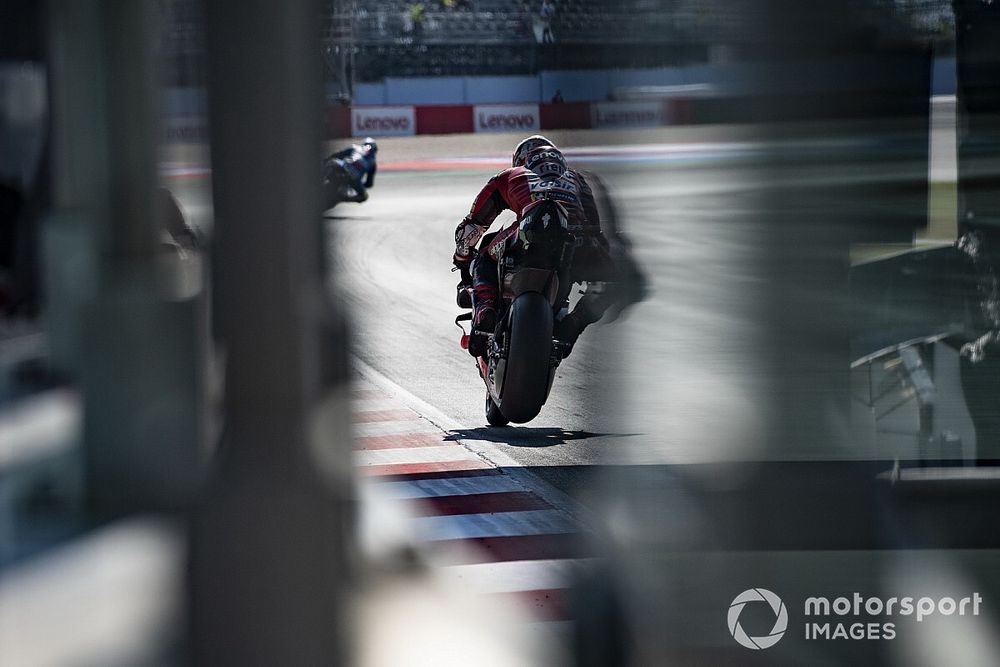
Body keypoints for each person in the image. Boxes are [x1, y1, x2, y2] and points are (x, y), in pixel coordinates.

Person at [452, 135, 645, 357]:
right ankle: (574, 324)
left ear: (521, 160)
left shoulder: (511, 175)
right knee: (610, 280)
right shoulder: (577, 180)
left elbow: (470, 229)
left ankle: (486, 311)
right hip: (576, 240)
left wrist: (462, 259)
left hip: (528, 235)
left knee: (485, 254)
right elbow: (595, 229)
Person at [325, 137, 377, 203]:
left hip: (341, 167)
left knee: (331, 162)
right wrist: (360, 184)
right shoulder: (373, 164)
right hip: (353, 179)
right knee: (364, 196)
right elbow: (369, 184)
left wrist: (327, 159)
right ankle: (343, 198)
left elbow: (338, 154)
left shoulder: (355, 148)